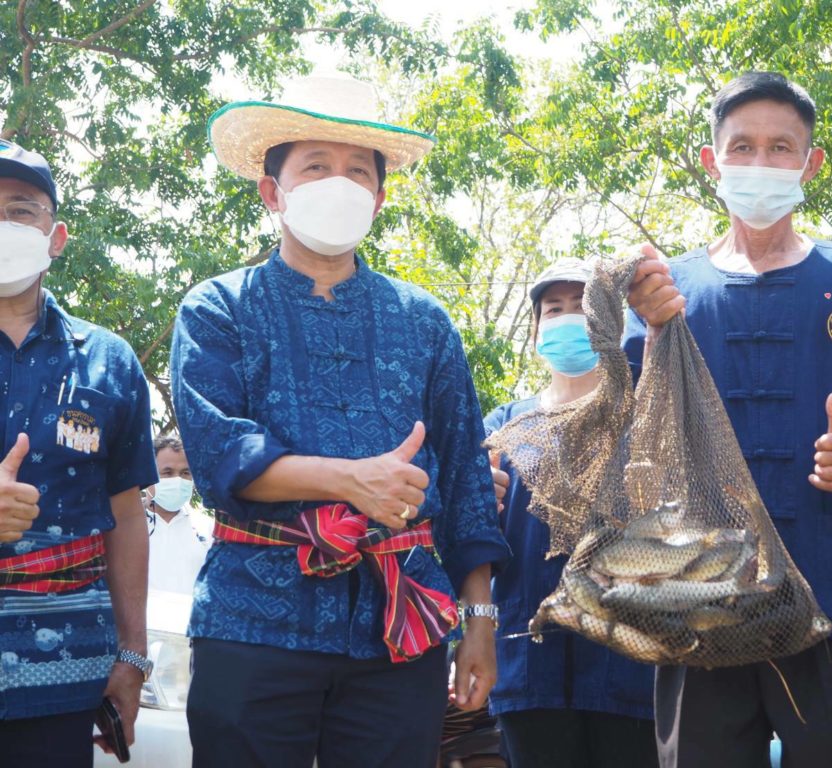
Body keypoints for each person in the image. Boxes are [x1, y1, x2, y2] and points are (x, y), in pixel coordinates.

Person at [171, 74, 510, 768]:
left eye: (358, 171)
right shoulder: (217, 309)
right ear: (273, 191)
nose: (340, 183)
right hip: (252, 622)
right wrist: (355, 481)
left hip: (399, 630)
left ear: (380, 197)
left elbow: (469, 485)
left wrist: (478, 621)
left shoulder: (426, 323)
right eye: (316, 167)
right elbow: (220, 457)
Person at [624, 72, 832, 767]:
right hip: (697, 597)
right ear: (712, 162)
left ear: (810, 163)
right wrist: (646, 329)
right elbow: (630, 434)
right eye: (742, 147)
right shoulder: (665, 290)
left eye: (780, 147)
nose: (760, 164)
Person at [0, 139, 156, 766]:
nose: (3, 226)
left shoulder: (109, 360)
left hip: (64, 672)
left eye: (20, 209)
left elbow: (125, 513)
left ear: (55, 235)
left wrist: (132, 656)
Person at [485, 258, 658, 768]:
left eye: (582, 307)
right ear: (536, 329)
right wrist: (479, 500)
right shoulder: (503, 426)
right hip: (528, 672)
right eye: (552, 309)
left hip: (629, 669)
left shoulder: (646, 413)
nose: (567, 319)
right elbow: (476, 541)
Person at [144, 435, 211, 594]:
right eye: (167, 472)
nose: (178, 480)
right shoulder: (125, 527)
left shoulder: (206, 527)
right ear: (148, 473)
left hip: (191, 618)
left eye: (185, 473)